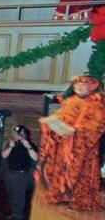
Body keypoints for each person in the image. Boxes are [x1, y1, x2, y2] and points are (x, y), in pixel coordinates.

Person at [37, 74, 105, 210]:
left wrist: (77, 131)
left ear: (90, 87)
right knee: (61, 170)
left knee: (80, 173)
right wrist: (50, 125)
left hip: (83, 147)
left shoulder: (98, 103)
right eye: (76, 85)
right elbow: (61, 119)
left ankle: (80, 201)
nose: (79, 87)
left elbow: (98, 125)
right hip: (66, 145)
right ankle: (62, 196)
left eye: (83, 85)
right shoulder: (70, 101)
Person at [1, 125, 38, 220]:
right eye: (15, 134)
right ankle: (13, 213)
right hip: (10, 173)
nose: (16, 136)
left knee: (18, 195)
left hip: (22, 175)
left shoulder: (31, 145)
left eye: (18, 134)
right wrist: (10, 147)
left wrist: (28, 147)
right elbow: (4, 155)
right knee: (10, 193)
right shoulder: (11, 144)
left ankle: (18, 216)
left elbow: (35, 158)